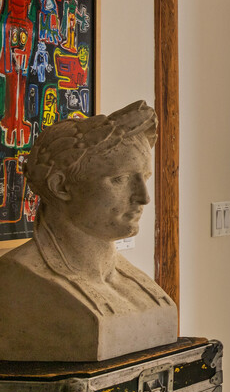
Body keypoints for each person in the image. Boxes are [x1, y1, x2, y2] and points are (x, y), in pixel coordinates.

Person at [0, 100, 177, 361]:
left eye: (145, 178)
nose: (143, 198)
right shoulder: (18, 276)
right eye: (120, 179)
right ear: (61, 186)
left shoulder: (135, 283)